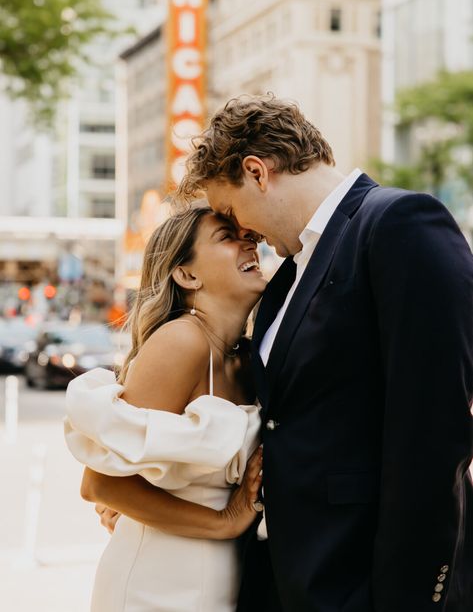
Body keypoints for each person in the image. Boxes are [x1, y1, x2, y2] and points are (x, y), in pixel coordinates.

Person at [174, 94, 473, 612]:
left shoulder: (399, 223)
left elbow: (434, 433)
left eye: (229, 210)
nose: (242, 231)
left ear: (257, 172)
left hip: (364, 582)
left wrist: (411, 597)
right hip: (281, 578)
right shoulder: (287, 273)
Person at [64, 205, 266, 611]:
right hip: (155, 584)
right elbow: (101, 485)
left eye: (249, 235)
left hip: (221, 579)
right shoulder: (182, 341)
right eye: (227, 236)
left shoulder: (244, 356)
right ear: (188, 275)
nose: (251, 241)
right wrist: (225, 521)